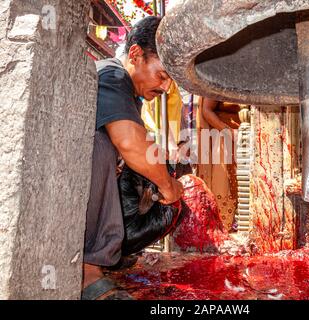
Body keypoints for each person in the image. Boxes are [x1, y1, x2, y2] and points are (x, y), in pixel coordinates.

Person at [82, 16, 183, 300]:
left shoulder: (130, 95)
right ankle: (87, 271)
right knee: (102, 145)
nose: (164, 88)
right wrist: (167, 187)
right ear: (136, 54)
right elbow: (128, 141)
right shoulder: (113, 75)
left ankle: (107, 253)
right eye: (162, 76)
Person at [196, 97, 241, 232]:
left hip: (240, 137)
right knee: (222, 185)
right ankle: (221, 228)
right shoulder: (218, 77)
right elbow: (206, 110)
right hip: (222, 137)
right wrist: (230, 132)